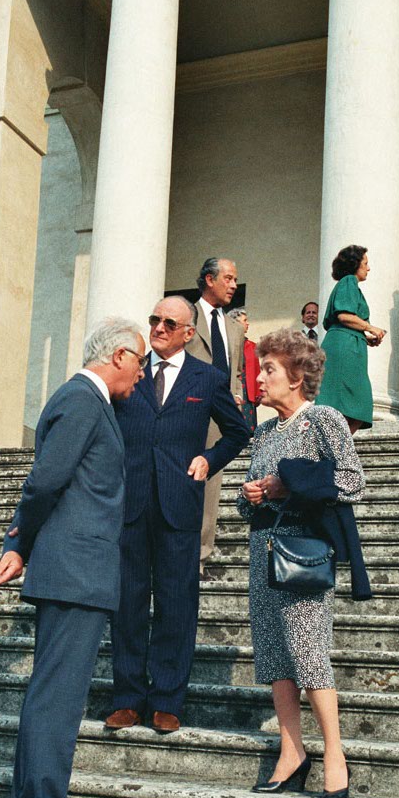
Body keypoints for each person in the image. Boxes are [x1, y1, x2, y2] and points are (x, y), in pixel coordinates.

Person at [0, 316, 146, 798]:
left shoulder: (89, 402)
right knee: (57, 696)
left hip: (77, 569)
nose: (142, 372)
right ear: (119, 356)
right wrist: (19, 543)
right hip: (75, 570)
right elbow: (45, 481)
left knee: (54, 693)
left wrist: (23, 545)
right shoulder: (82, 400)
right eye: (140, 360)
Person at [106, 297, 249, 734]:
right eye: (155, 319)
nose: (159, 327)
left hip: (179, 504)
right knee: (127, 603)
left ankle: (167, 699)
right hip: (129, 504)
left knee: (177, 603)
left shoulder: (207, 378)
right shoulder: (130, 371)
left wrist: (209, 459)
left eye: (170, 323)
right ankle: (127, 698)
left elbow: (238, 432)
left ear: (189, 333)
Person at [238, 328, 368, 798]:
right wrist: (252, 494)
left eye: (269, 369)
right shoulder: (264, 431)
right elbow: (245, 502)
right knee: (275, 655)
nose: (259, 377)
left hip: (305, 550)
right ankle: (291, 752)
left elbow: (352, 481)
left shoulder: (323, 419)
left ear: (296, 376)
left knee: (308, 652)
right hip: (263, 548)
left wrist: (288, 484)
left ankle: (335, 753)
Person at [187, 257, 245, 573]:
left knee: (210, 484)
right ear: (209, 280)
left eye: (235, 279)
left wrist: (236, 395)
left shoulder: (234, 328)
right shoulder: (187, 316)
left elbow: (235, 370)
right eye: (228, 278)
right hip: (185, 410)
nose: (233, 285)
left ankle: (199, 554)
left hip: (219, 416)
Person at [315, 245, 386, 433]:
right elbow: (344, 315)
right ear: (355, 264)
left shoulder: (349, 285)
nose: (368, 268)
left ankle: (338, 444)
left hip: (349, 345)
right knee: (347, 402)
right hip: (344, 349)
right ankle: (335, 444)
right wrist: (370, 328)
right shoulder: (348, 281)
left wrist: (365, 337)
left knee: (355, 405)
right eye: (365, 263)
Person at [228, 307, 262, 434]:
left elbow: (257, 370)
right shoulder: (227, 344)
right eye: (244, 320)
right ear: (235, 323)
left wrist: (259, 392)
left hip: (248, 392)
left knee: (248, 428)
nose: (247, 323)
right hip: (232, 388)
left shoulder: (252, 346)